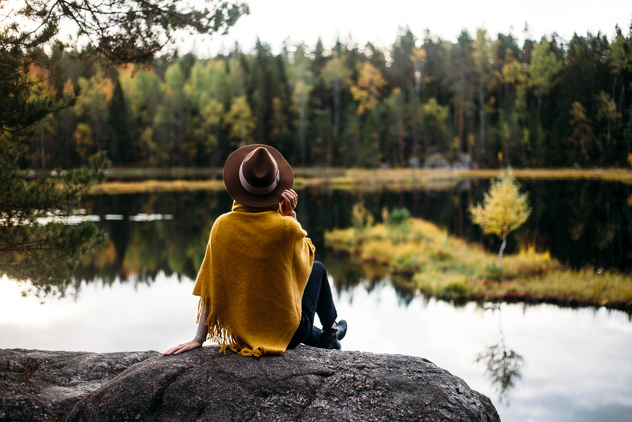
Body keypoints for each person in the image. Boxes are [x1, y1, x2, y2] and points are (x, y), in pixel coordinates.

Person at [164, 144, 347, 357]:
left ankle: (330, 336)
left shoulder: (221, 225)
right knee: (317, 268)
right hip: (290, 334)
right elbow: (304, 262)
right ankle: (331, 331)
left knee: (284, 315)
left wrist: (199, 339)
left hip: (241, 332)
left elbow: (212, 285)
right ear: (277, 189)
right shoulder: (285, 228)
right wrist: (291, 218)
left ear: (240, 187)